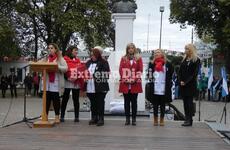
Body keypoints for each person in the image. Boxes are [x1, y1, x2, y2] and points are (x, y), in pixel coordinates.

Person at [41, 43, 67, 123]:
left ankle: (56, 116)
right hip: (47, 83)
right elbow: (39, 64)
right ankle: (45, 116)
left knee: (56, 100)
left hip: (56, 82)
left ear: (56, 49)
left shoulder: (60, 59)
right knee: (47, 99)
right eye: (48, 48)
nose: (50, 50)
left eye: (52, 48)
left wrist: (57, 67)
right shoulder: (46, 58)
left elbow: (66, 68)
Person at [147, 49, 174, 126]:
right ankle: (155, 119)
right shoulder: (151, 63)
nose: (156, 54)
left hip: (164, 87)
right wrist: (150, 77)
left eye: (158, 52)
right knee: (155, 104)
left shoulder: (167, 64)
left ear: (162, 54)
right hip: (155, 86)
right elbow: (149, 73)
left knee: (162, 104)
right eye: (155, 53)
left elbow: (171, 73)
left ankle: (162, 119)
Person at [119, 43, 143, 126]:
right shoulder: (123, 58)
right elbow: (121, 70)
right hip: (125, 84)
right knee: (126, 102)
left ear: (134, 49)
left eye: (132, 48)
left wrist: (134, 79)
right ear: (127, 49)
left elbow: (140, 70)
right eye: (129, 48)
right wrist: (125, 79)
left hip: (135, 84)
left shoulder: (138, 58)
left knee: (134, 102)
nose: (131, 50)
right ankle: (127, 119)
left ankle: (134, 119)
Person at [85, 46, 110, 126]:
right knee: (93, 102)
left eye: (94, 55)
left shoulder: (104, 62)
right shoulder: (88, 63)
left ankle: (101, 118)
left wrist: (94, 76)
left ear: (97, 55)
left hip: (100, 86)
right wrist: (84, 76)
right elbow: (84, 71)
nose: (92, 56)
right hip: (90, 85)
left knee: (100, 102)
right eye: (91, 55)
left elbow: (106, 74)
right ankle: (94, 117)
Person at [178, 43, 200, 126]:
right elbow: (179, 71)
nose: (185, 50)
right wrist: (180, 81)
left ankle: (190, 119)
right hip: (182, 84)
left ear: (191, 50)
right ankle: (186, 118)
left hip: (190, 84)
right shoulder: (184, 59)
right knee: (185, 102)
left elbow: (194, 74)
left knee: (189, 102)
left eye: (187, 49)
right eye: (185, 49)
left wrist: (186, 82)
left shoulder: (196, 60)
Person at [61, 46, 84, 122]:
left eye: (77, 51)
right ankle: (62, 116)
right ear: (70, 51)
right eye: (75, 51)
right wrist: (68, 78)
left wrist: (77, 77)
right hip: (67, 81)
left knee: (76, 99)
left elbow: (81, 70)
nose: (76, 52)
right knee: (65, 99)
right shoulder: (64, 59)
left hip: (76, 82)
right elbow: (63, 70)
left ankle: (76, 117)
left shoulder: (78, 60)